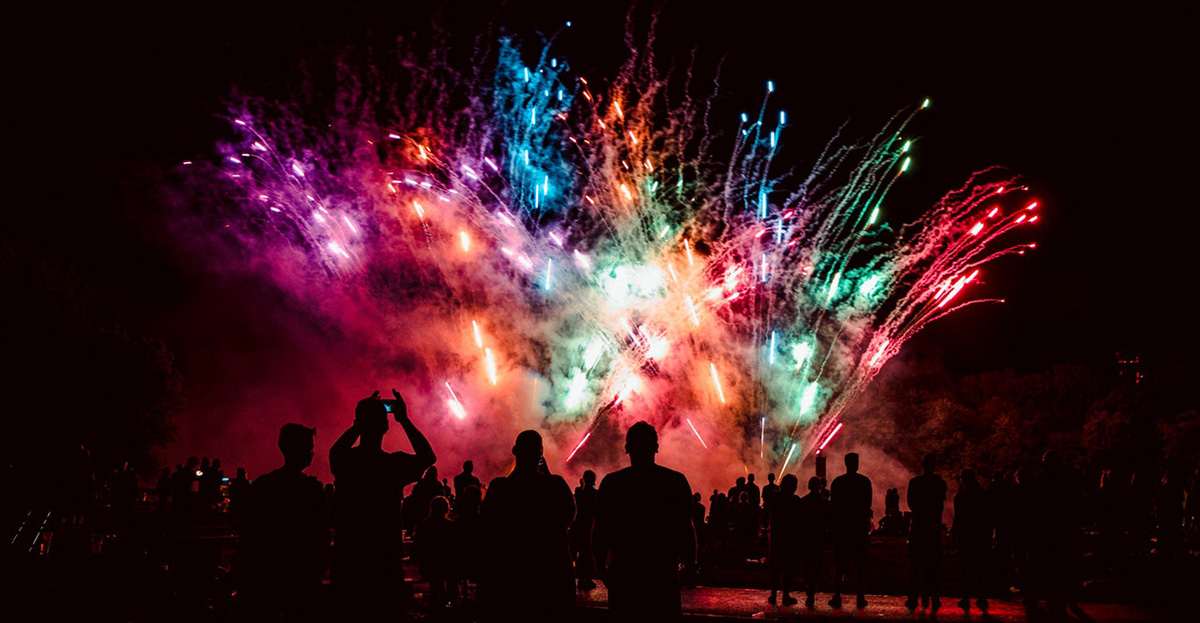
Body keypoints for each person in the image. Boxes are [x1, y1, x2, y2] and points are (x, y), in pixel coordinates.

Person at [329, 389, 436, 616]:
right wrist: (404, 419)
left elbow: (335, 451)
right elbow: (428, 456)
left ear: (359, 424)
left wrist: (360, 422)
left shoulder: (346, 462)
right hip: (384, 560)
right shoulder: (392, 465)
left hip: (349, 559)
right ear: (385, 427)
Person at [593, 422, 696, 622]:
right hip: (663, 576)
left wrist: (601, 569)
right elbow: (686, 530)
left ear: (627, 448)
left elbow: (599, 532)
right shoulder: (675, 482)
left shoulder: (612, 484)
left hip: (625, 576)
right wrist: (689, 567)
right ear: (656, 447)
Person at [477, 430, 575, 622]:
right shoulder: (555, 486)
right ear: (541, 454)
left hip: (509, 581)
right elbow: (569, 516)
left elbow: (487, 530)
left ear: (514, 450)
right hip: (549, 581)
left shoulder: (499, 488)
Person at [238, 423, 330, 622]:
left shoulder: (264, 485)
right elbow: (321, 535)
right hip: (302, 575)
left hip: (268, 574)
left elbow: (251, 533)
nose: (312, 453)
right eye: (309, 448)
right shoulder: (311, 489)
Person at [829, 452, 872, 609]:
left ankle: (837, 595)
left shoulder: (838, 483)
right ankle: (860, 596)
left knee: (839, 564)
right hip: (858, 528)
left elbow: (833, 506)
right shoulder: (864, 482)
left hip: (842, 528)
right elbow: (867, 504)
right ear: (857, 464)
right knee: (860, 565)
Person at [906, 454, 947, 611]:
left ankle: (913, 597)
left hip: (919, 526)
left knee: (915, 565)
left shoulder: (915, 483)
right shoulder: (940, 483)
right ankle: (933, 597)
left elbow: (912, 504)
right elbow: (939, 505)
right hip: (933, 527)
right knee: (933, 565)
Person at [954, 468, 990, 614]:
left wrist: (955, 534)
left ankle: (966, 597)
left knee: (966, 568)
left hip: (966, 535)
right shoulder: (981, 494)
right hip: (980, 535)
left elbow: (958, 517)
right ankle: (982, 597)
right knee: (980, 568)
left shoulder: (961, 496)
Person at [767, 474, 801, 605]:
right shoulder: (794, 500)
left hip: (776, 536)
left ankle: (773, 594)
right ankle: (785, 595)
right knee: (788, 568)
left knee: (775, 567)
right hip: (789, 538)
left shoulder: (774, 498)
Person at [416, 496, 455, 609]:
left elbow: (418, 546)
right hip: (446, 564)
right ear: (446, 509)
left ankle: (435, 603)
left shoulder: (424, 525)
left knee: (435, 580)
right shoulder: (449, 525)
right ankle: (449, 600)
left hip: (428, 565)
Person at [797, 476, 830, 607]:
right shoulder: (824, 502)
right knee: (816, 564)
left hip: (807, 537)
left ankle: (808, 588)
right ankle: (812, 589)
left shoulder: (803, 501)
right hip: (818, 537)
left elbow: (799, 521)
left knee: (807, 564)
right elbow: (828, 521)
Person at [571, 469, 599, 590]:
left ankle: (580, 578)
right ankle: (586, 579)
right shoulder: (595, 493)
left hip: (577, 526)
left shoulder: (578, 491)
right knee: (587, 554)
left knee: (578, 554)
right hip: (589, 527)